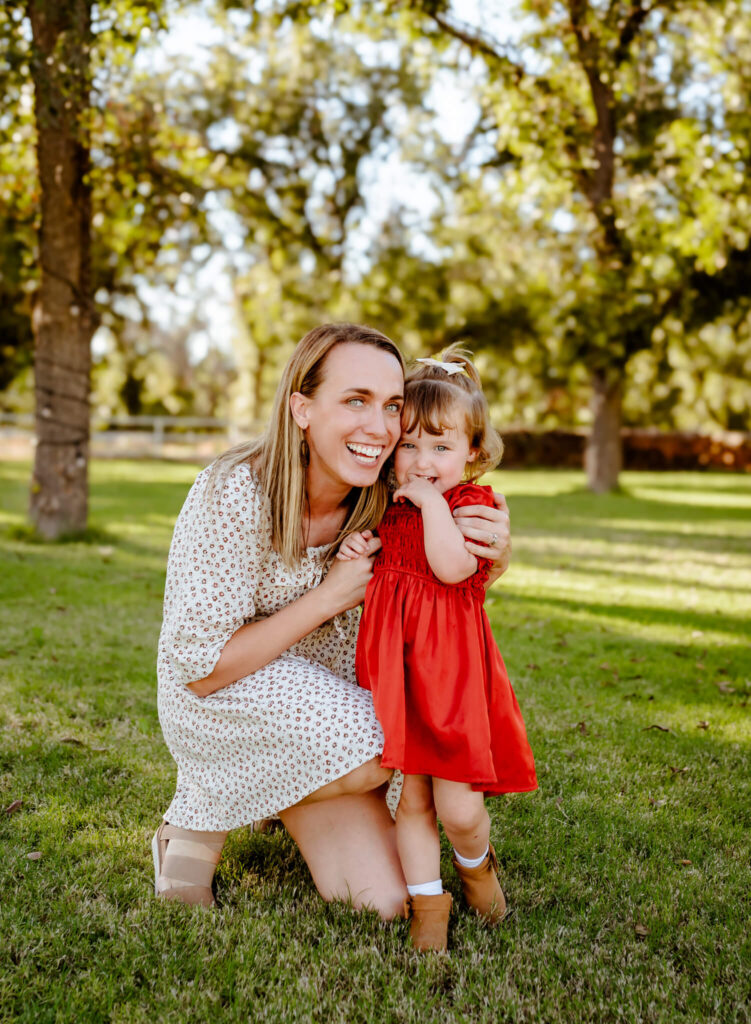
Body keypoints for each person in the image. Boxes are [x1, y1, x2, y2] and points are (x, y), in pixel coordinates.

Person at [153, 323, 513, 919]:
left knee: (388, 903)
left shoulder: (383, 496)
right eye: (355, 401)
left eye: (391, 406)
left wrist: (492, 559)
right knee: (390, 743)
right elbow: (201, 671)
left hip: (328, 703)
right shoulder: (235, 492)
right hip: (221, 698)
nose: (379, 427)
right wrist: (329, 597)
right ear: (301, 407)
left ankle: (285, 793)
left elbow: (439, 598)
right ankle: (196, 812)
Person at [339, 347, 537, 950]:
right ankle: (430, 906)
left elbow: (452, 570)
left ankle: (478, 868)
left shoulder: (467, 507)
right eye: (410, 446)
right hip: (400, 674)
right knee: (412, 803)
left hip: (450, 679)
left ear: (472, 451)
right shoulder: (389, 505)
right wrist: (358, 553)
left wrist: (428, 504)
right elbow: (380, 571)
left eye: (441, 447)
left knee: (458, 807)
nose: (423, 462)